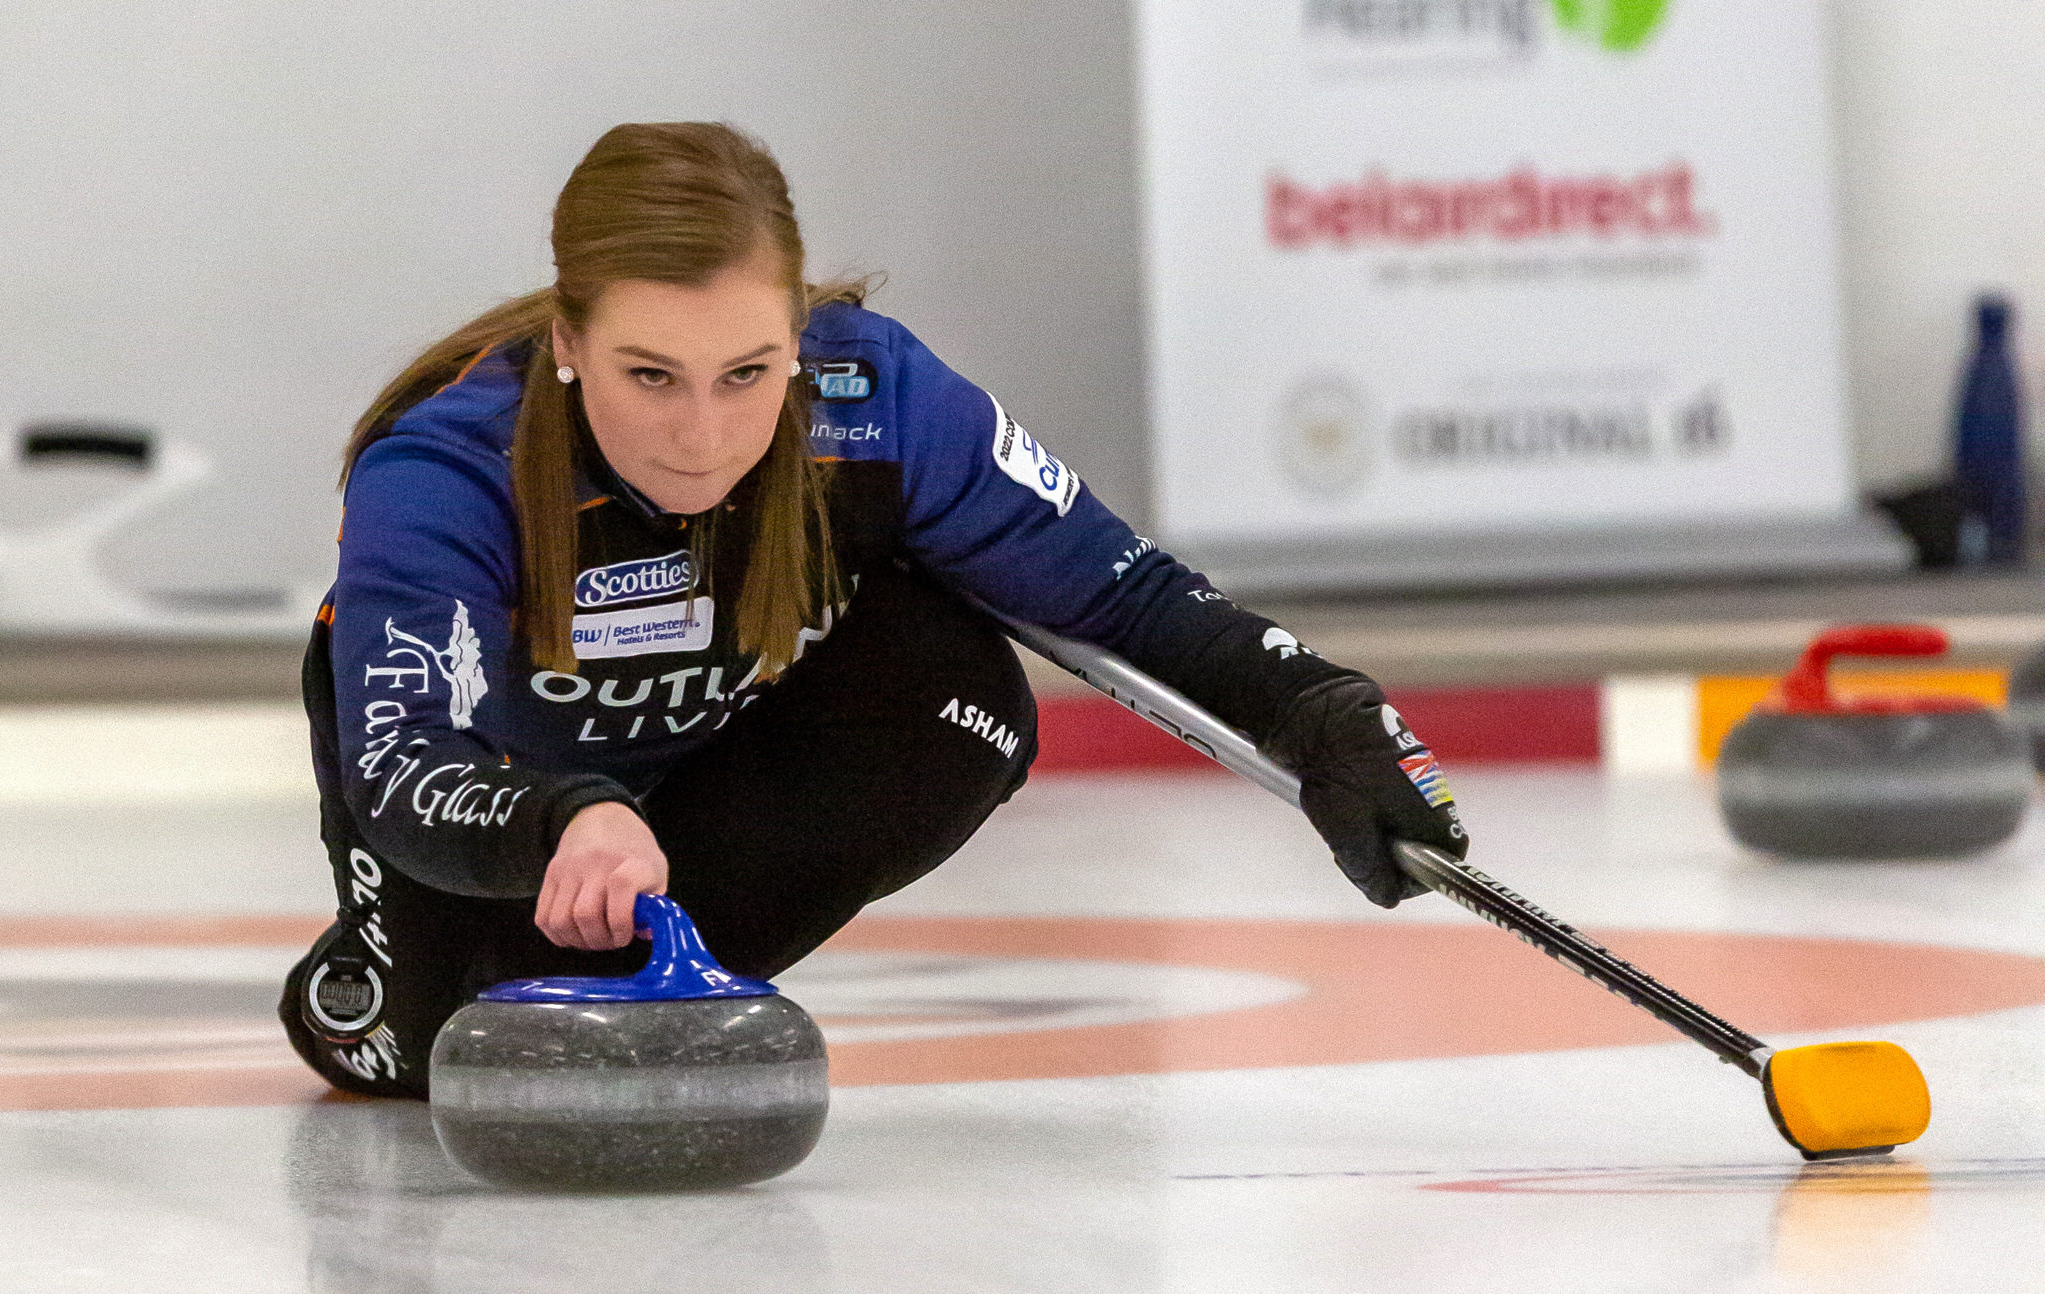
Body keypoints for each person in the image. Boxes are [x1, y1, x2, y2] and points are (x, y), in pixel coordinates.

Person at [280, 122, 1468, 1096]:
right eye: (651, 375)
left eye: (747, 373)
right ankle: (441, 975)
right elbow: (401, 760)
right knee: (415, 1061)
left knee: (964, 692)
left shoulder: (878, 401)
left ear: (798, 341)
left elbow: (1125, 595)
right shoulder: (446, 466)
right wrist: (562, 820)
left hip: (705, 775)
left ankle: (659, 981)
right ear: (569, 347)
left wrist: (1317, 710)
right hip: (500, 807)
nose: (701, 435)